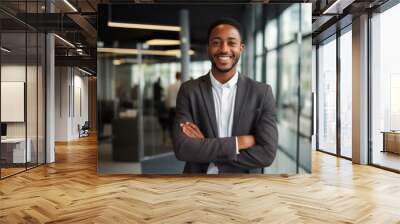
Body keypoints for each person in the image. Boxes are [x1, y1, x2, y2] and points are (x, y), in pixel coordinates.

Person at [172, 18, 278, 174]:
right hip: (197, 182)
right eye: (216, 43)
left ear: (241, 48)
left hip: (245, 186)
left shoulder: (261, 93)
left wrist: (205, 146)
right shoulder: (189, 91)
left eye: (231, 43)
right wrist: (239, 142)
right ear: (208, 47)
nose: (224, 49)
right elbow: (182, 148)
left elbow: (267, 154)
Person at [166, 72, 182, 138]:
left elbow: (167, 97)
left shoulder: (170, 86)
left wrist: (167, 106)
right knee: (179, 125)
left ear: (175, 77)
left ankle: (172, 137)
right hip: (179, 108)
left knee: (172, 124)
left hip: (171, 108)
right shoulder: (183, 85)